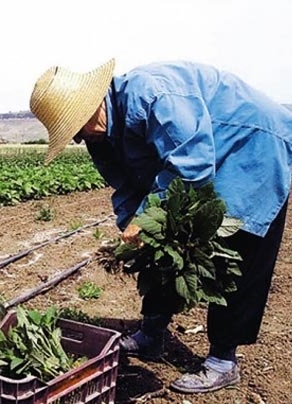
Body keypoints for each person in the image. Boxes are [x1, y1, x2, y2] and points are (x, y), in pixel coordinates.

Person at [29, 59, 292, 393]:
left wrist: (147, 215)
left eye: (76, 129)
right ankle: (152, 334)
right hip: (205, 154)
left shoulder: (153, 95)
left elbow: (194, 165)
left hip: (254, 144)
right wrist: (133, 224)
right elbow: (126, 188)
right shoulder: (100, 137)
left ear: (91, 108)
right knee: (158, 240)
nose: (78, 140)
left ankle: (223, 360)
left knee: (236, 248)